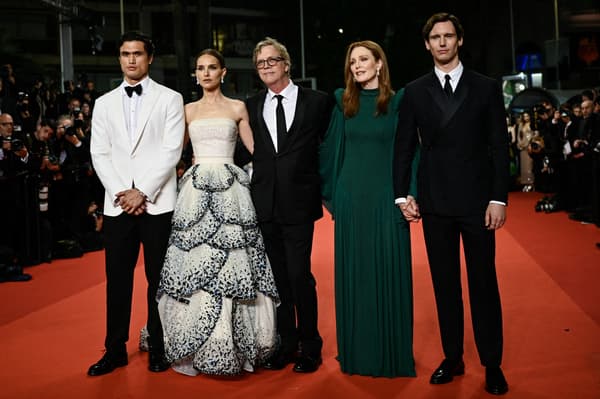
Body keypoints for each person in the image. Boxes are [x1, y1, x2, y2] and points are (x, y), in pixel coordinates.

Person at [393, 13, 510, 395]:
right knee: (445, 285)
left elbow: (498, 145)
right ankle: (453, 357)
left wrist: (498, 198)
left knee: (483, 284)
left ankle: (492, 364)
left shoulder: (486, 87)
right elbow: (404, 147)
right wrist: (400, 193)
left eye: (449, 36)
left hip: (478, 201)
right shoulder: (414, 90)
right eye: (435, 37)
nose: (442, 42)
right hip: (435, 201)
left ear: (459, 40)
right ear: (427, 44)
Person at [155, 49, 279, 376]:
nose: (206, 73)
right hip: (195, 191)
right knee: (195, 258)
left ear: (223, 72)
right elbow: (173, 153)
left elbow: (259, 152)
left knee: (235, 258)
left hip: (231, 189)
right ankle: (195, 337)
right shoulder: (187, 110)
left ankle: (233, 341)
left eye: (212, 68)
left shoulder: (238, 107)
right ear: (195, 74)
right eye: (200, 68)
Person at [88, 31, 185, 376]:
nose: (131, 60)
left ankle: (158, 347)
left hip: (157, 203)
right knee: (117, 280)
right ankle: (114, 350)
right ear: (119, 58)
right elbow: (99, 153)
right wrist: (122, 192)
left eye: (138, 54)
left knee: (158, 280)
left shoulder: (171, 99)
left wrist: (141, 190)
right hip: (118, 206)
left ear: (150, 58)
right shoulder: (103, 103)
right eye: (125, 54)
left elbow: (172, 150)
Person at [319, 40, 417, 377]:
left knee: (389, 269)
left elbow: (410, 151)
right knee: (356, 274)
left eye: (363, 59)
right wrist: (331, 195)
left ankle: (390, 354)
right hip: (351, 198)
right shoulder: (342, 101)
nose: (357, 65)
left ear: (379, 64)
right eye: (352, 61)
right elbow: (331, 150)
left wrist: (409, 193)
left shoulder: (400, 101)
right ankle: (357, 355)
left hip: (387, 197)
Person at [245, 37, 332, 373]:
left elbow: (328, 148)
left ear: (286, 63)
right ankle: (287, 343)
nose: (266, 66)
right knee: (278, 279)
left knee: (299, 275)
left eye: (272, 60)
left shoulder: (317, 102)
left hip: (299, 202)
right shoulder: (251, 105)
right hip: (265, 204)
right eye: (261, 63)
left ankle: (311, 346)